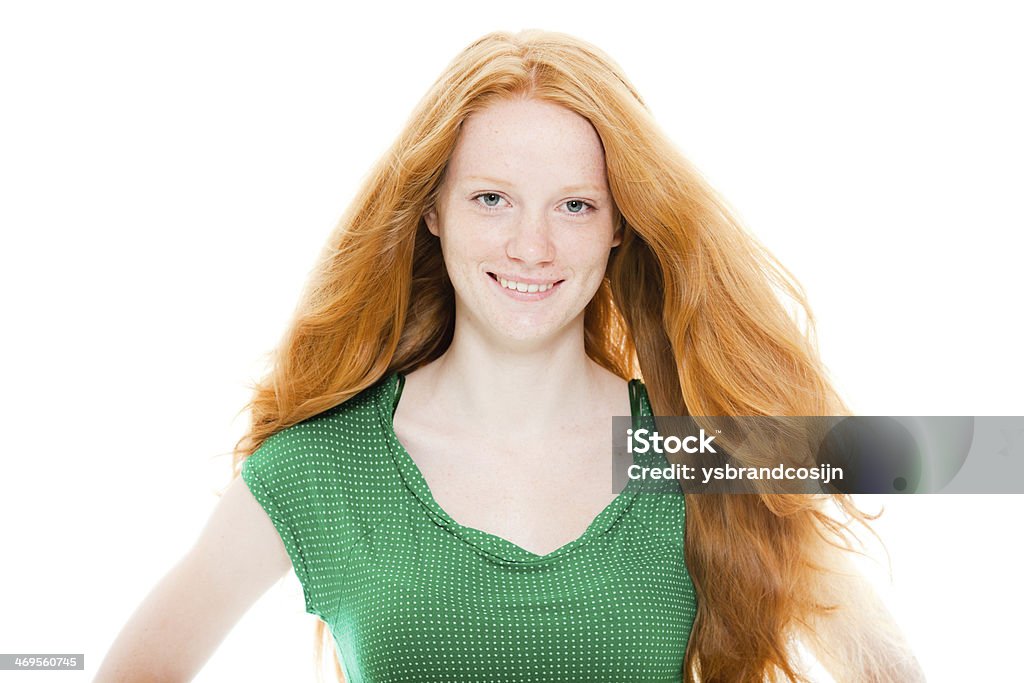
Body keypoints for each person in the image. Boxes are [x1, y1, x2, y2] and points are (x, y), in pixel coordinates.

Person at [95, 29, 925, 682]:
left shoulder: (697, 451)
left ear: (618, 225)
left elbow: (888, 669)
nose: (532, 245)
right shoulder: (320, 469)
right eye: (492, 198)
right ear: (434, 212)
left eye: (573, 204)